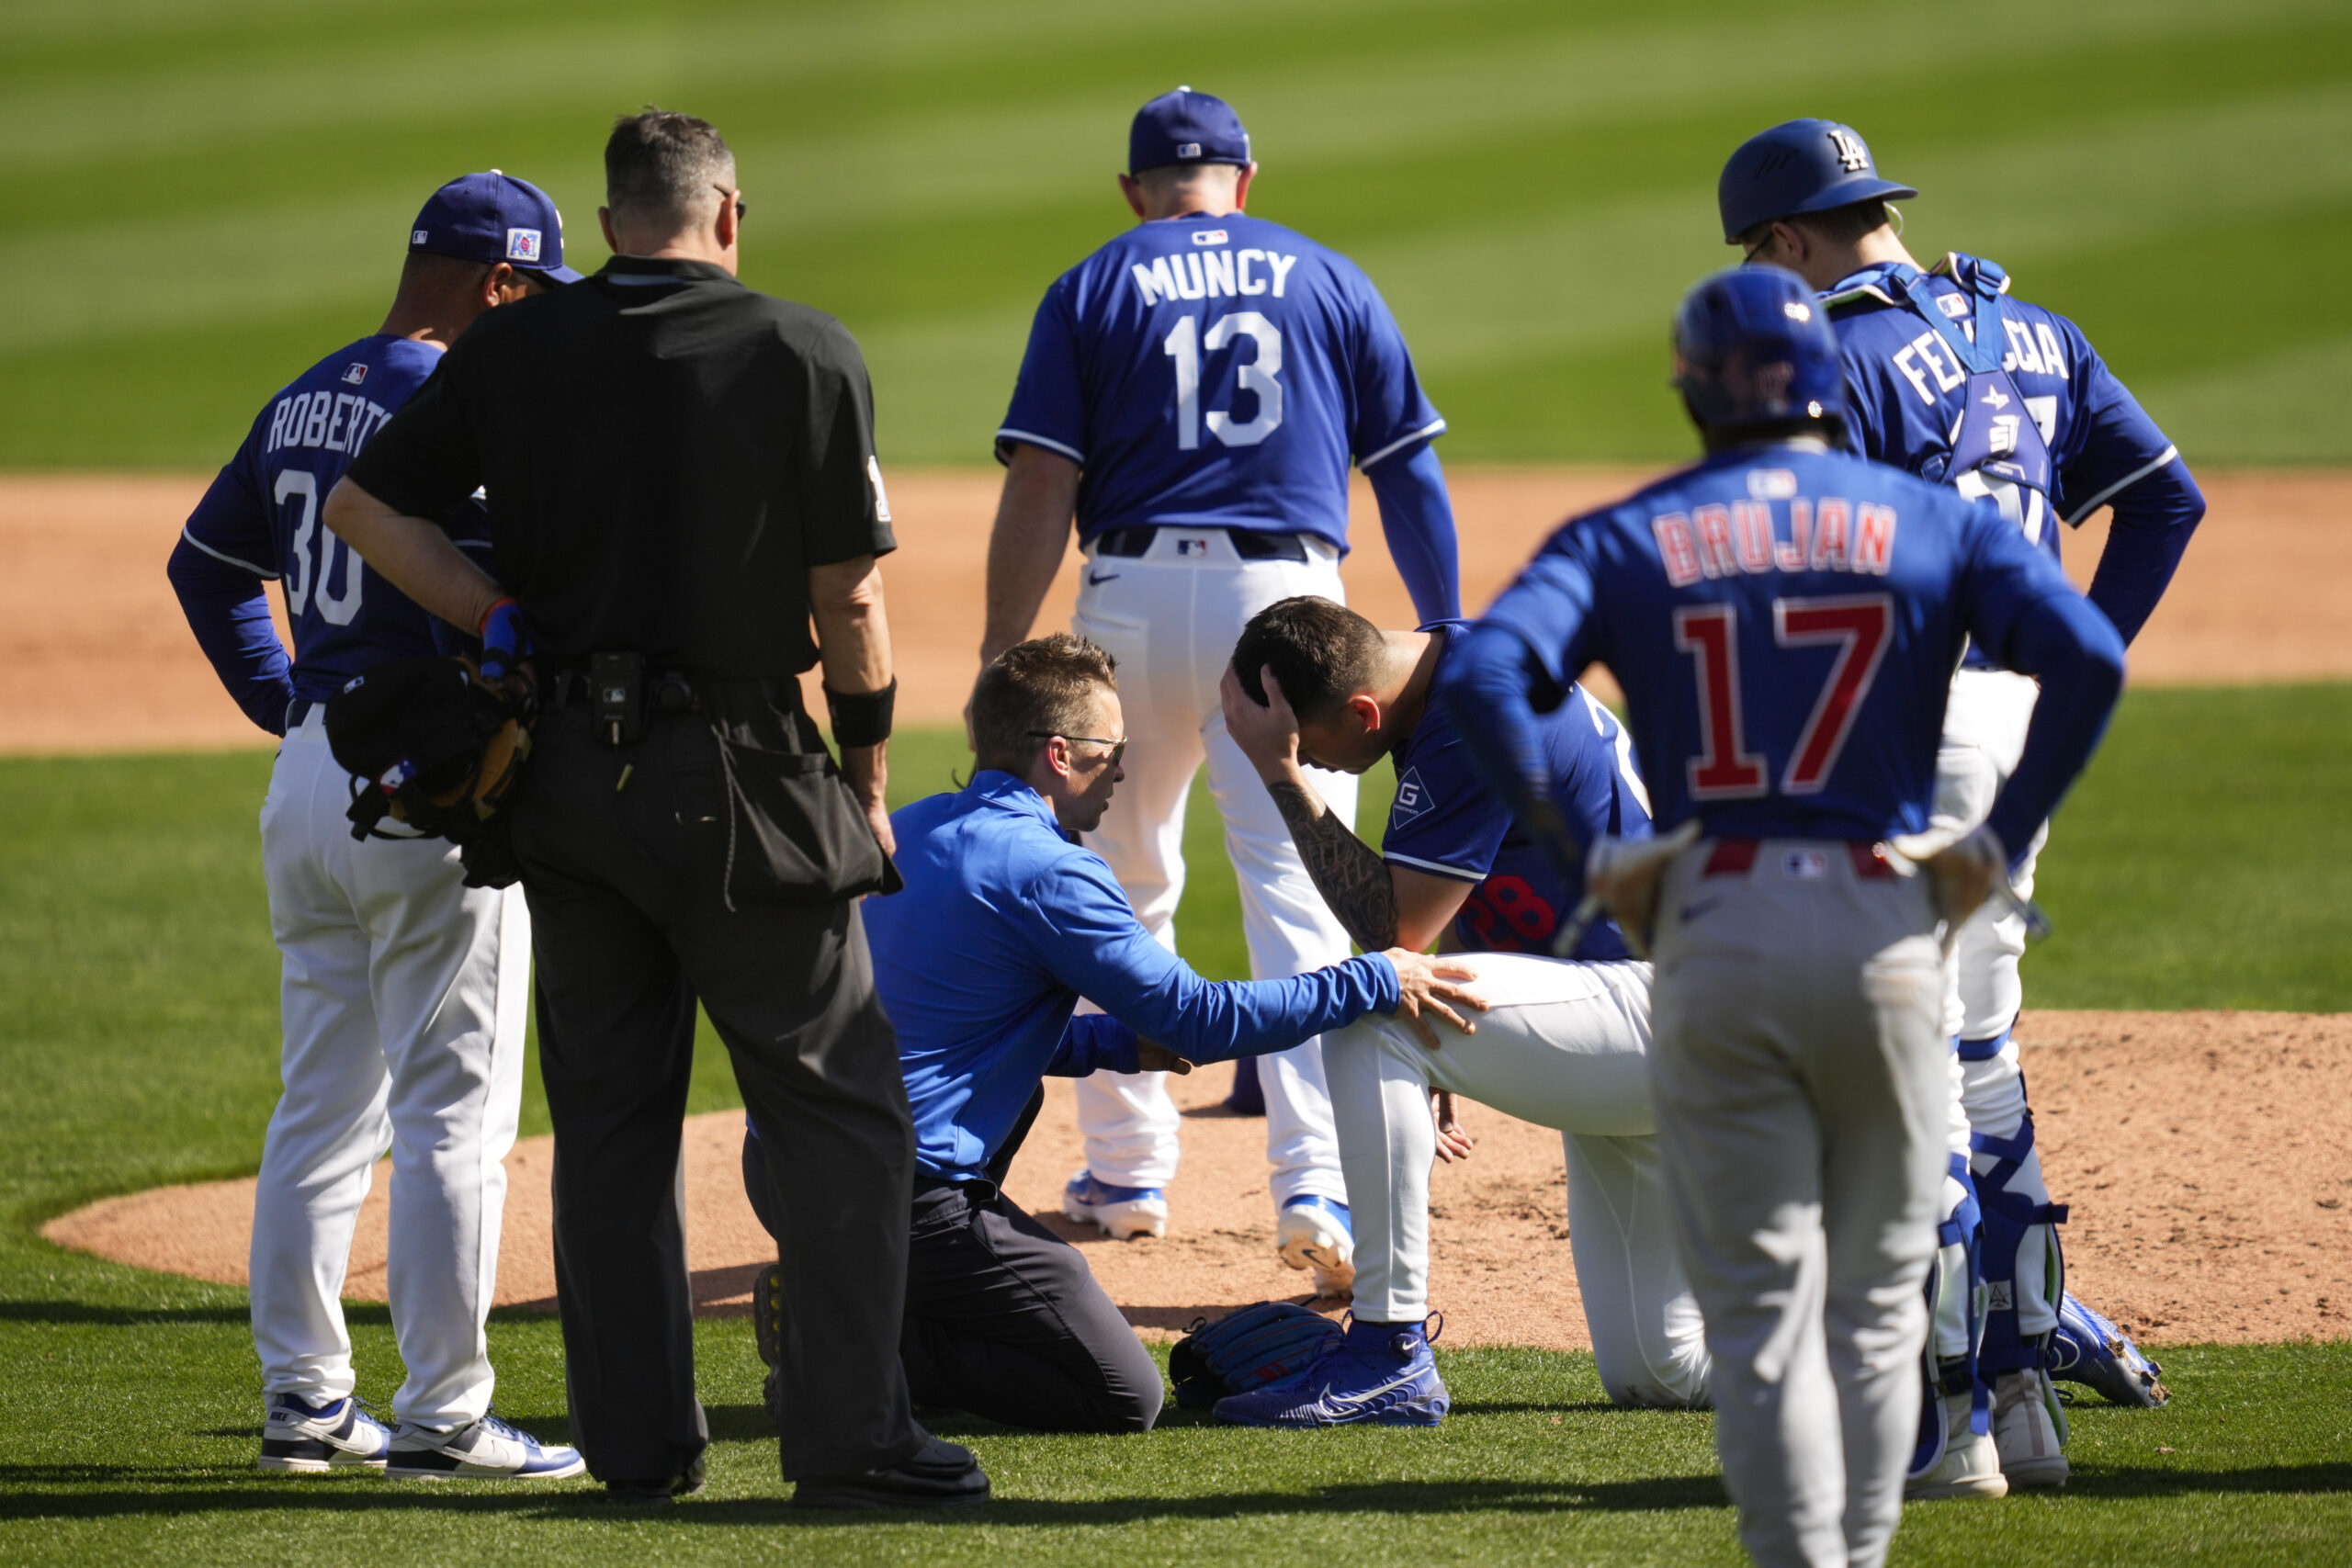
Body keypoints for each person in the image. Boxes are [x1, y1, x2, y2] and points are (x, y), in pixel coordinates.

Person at [322, 109, 983, 1510]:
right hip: (743, 777)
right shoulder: (802, 350)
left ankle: (635, 1443)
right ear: (728, 216)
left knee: (612, 1121)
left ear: (612, 222)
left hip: (562, 779)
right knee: (836, 1110)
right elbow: (850, 596)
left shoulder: (512, 344)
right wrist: (864, 768)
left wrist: (497, 613)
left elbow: (367, 512)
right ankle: (852, 1436)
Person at [1436, 266, 2125, 1568]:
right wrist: (1993, 838)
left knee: (1759, 1316)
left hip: (1717, 925)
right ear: (1826, 383)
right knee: (1875, 1307)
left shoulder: (1631, 529)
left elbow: (1480, 668)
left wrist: (1596, 857)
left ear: (1695, 389)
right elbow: (2090, 655)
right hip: (1884, 922)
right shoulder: (1927, 519)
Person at [1718, 118, 2192, 1491]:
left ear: (1794, 239)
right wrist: (2073, 658)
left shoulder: (1834, 357)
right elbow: (2169, 502)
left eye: (1764, 255)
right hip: (2015, 733)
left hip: (1904, 740)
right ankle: (2026, 1386)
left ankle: (1945, 1430)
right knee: (1982, 1057)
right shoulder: (2035, 329)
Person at [741, 634, 1483, 1433]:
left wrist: (1117, 1046)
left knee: (999, 1138)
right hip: (893, 1199)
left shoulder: (912, 831)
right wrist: (1373, 975)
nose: (1124, 767)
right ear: (1059, 755)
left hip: (782, 1165)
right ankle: (841, 1346)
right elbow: (1198, 1015)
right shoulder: (1049, 871)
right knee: (1123, 1392)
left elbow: (952, 1032)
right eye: (1112, 750)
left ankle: (850, 1303)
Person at [980, 86, 1463, 1292]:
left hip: (1133, 596)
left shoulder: (1096, 281)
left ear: (1136, 190)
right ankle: (1320, 1187)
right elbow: (1409, 470)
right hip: (1287, 612)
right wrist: (1442, 630)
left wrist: (1003, 648)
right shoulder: (1327, 276)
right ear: (1245, 181)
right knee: (1303, 893)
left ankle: (1130, 1174)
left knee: (1118, 877)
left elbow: (1043, 482)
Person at [166, 172, 582, 1482]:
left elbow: (206, 565)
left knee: (321, 1106)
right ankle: (445, 1415)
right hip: (429, 794)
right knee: (455, 1112)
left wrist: (291, 705)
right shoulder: (471, 401)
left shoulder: (304, 391)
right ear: (499, 285)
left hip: (312, 776)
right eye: (534, 297)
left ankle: (304, 1402)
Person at [1212, 597, 1711, 1424]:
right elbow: (1486, 868)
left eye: (1319, 747)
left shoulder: (1476, 710)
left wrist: (1280, 773)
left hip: (1671, 1007)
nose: (1324, 767)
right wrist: (1461, 1032)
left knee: (1371, 1005)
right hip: (1635, 1006)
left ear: (1363, 710)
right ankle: (1859, 1376)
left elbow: (1392, 927)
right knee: (1658, 1372)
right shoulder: (1458, 664)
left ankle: (1386, 1354)